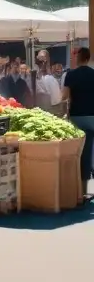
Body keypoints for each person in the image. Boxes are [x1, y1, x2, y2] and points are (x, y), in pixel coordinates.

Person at [63, 47, 94, 190]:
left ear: (78, 58)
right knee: (90, 151)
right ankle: (88, 184)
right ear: (88, 59)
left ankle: (81, 187)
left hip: (77, 117)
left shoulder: (71, 75)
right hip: (92, 116)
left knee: (79, 151)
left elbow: (64, 97)